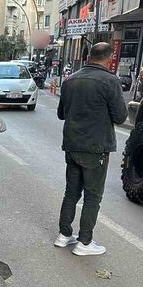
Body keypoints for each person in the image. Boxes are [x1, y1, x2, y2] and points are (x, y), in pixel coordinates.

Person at [55, 41, 128, 256]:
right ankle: (84, 242)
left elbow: (61, 113)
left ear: (89, 56)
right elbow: (121, 116)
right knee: (92, 197)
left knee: (71, 193)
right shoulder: (110, 81)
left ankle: (64, 235)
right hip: (96, 148)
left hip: (72, 145)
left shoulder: (70, 80)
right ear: (109, 58)